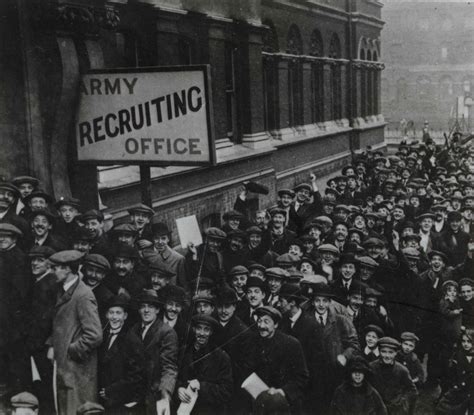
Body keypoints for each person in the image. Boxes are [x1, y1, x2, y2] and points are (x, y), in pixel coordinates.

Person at [47, 250, 103, 415]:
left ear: (67, 269)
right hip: (65, 368)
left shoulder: (83, 295)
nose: (52, 272)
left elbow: (94, 335)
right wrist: (52, 344)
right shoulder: (63, 290)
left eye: (55, 268)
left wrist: (71, 350)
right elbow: (61, 324)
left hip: (77, 372)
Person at [305, 283, 360, 414]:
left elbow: (354, 344)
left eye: (325, 301)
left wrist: (345, 356)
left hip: (335, 373)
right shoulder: (306, 320)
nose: (321, 304)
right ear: (312, 302)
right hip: (312, 375)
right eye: (317, 300)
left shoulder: (341, 321)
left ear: (330, 302)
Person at [125, 289, 178, 415]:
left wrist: (165, 393)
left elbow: (169, 367)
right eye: (143, 307)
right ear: (139, 310)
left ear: (158, 310)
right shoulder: (133, 331)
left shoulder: (166, 332)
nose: (146, 310)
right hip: (135, 396)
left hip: (155, 396)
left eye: (150, 307)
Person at [251, 306, 309, 414]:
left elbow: (302, 377)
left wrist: (282, 392)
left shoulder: (291, 344)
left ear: (276, 324)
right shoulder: (253, 343)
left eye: (266, 322)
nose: (261, 326)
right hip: (261, 405)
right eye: (259, 321)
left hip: (287, 405)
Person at [175, 314, 233, 415]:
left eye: (206, 330)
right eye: (199, 328)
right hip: (182, 409)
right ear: (193, 329)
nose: (202, 333)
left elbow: (226, 391)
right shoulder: (183, 352)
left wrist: (201, 386)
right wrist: (178, 389)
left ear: (211, 332)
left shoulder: (221, 357)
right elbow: (174, 377)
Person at [25, 246, 57, 415]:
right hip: (38, 345)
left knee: (45, 390)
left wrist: (48, 344)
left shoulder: (48, 284)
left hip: (43, 346)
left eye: (40, 260)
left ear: (49, 263)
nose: (35, 263)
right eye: (33, 260)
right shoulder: (41, 282)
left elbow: (50, 319)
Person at [98, 295, 143, 414]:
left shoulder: (132, 340)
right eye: (111, 313)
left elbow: (135, 376)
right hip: (102, 400)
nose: (114, 317)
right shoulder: (103, 336)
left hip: (120, 401)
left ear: (125, 316)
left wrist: (111, 390)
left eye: (118, 313)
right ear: (107, 315)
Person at [0, 223, 30, 395]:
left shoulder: (19, 258)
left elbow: (20, 293)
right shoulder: (3, 255)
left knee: (14, 358)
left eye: (6, 236)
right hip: (3, 317)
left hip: (12, 320)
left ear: (14, 239)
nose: (1, 239)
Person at [370, 337, 417, 415]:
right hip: (375, 408)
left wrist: (402, 401)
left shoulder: (402, 370)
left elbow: (412, 391)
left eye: (390, 352)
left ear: (395, 353)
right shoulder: (371, 367)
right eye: (384, 352)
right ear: (379, 352)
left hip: (395, 409)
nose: (387, 355)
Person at [142, 221, 188, 290]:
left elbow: (183, 285)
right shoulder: (145, 254)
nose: (160, 242)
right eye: (156, 238)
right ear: (152, 239)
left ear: (168, 239)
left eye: (163, 238)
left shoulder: (178, 259)